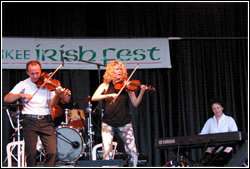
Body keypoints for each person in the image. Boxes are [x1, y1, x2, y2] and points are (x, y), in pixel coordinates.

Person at [4, 60, 65, 167]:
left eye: (37, 73)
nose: (36, 76)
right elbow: (7, 99)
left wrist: (57, 95)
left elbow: (51, 104)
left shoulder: (47, 83)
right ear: (27, 72)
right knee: (31, 154)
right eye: (32, 73)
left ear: (41, 71)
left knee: (52, 152)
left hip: (46, 120)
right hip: (30, 121)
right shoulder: (23, 84)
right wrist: (21, 95)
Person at [91, 61, 148, 167]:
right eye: (117, 69)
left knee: (132, 150)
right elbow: (94, 97)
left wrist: (142, 92)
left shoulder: (127, 86)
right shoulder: (105, 85)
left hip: (124, 122)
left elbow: (135, 103)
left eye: (121, 69)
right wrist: (109, 95)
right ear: (111, 71)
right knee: (107, 152)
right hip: (108, 122)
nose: (120, 71)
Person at [200, 98, 238, 166]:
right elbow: (202, 134)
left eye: (218, 108)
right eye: (214, 109)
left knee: (219, 160)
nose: (216, 110)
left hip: (225, 149)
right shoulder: (210, 121)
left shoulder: (229, 119)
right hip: (212, 149)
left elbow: (235, 134)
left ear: (222, 108)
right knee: (204, 160)